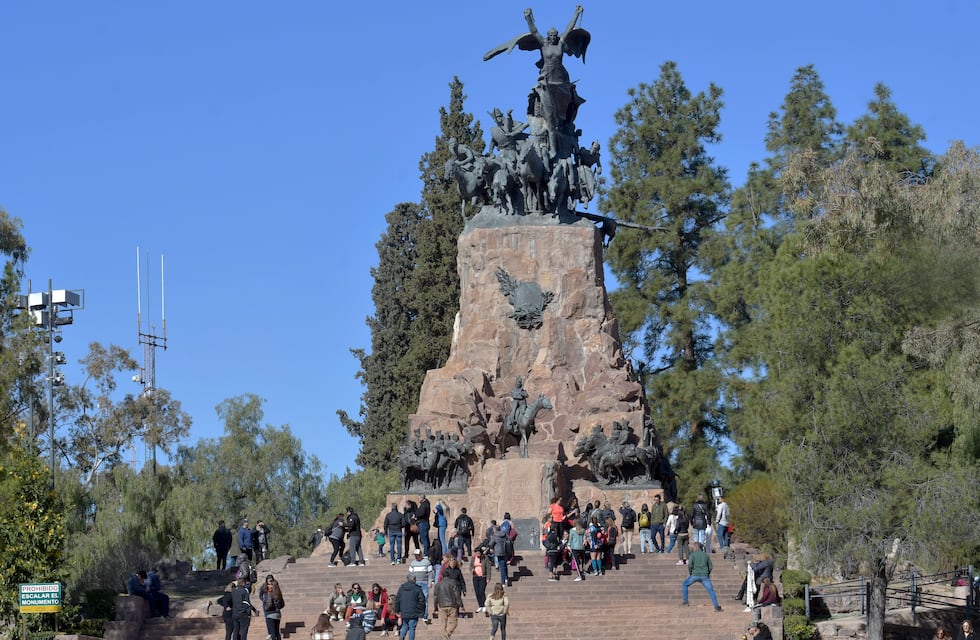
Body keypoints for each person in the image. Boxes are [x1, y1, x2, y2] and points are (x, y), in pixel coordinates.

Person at [681, 542, 723, 612]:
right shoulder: (706, 555)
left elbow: (690, 565)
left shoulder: (692, 555)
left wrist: (691, 573)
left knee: (685, 584)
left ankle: (685, 601)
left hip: (695, 574)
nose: (693, 548)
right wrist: (707, 573)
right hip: (705, 576)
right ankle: (716, 606)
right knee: (711, 591)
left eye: (693, 547)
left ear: (696, 547)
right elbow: (710, 566)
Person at [432, 566, 463, 640]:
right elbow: (457, 594)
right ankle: (447, 635)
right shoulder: (453, 582)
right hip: (452, 605)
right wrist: (460, 604)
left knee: (443, 624)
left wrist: (435, 607)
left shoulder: (438, 584)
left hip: (442, 605)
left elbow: (435, 597)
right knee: (454, 623)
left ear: (442, 576)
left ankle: (445, 637)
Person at [394, 574, 426, 640]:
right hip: (414, 611)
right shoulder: (417, 588)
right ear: (413, 579)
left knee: (405, 625)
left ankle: (401, 638)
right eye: (415, 579)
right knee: (412, 627)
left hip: (404, 611)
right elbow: (422, 600)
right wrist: (421, 610)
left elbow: (397, 600)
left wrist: (397, 610)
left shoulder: (402, 588)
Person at [408, 548, 434, 624]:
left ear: (421, 555)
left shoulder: (426, 562)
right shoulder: (412, 563)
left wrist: (430, 582)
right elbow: (410, 574)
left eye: (418, 555)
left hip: (424, 583)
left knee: (425, 598)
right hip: (415, 583)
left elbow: (430, 572)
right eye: (415, 555)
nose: (416, 557)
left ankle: (425, 616)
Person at [259, 575, 285, 640]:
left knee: (273, 633)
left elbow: (269, 604)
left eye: (271, 581)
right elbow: (282, 603)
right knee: (277, 632)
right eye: (269, 581)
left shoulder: (270, 591)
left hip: (270, 613)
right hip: (277, 613)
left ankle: (270, 634)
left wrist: (266, 603)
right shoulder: (277, 589)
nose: (270, 583)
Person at [471, 547, 491, 611]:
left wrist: (488, 577)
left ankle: (484, 605)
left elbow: (488, 568)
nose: (477, 554)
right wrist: (472, 570)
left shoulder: (485, 558)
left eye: (479, 553)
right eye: (476, 553)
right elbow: (471, 566)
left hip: (483, 577)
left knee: (481, 591)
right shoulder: (473, 558)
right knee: (477, 592)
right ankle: (480, 605)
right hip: (475, 577)